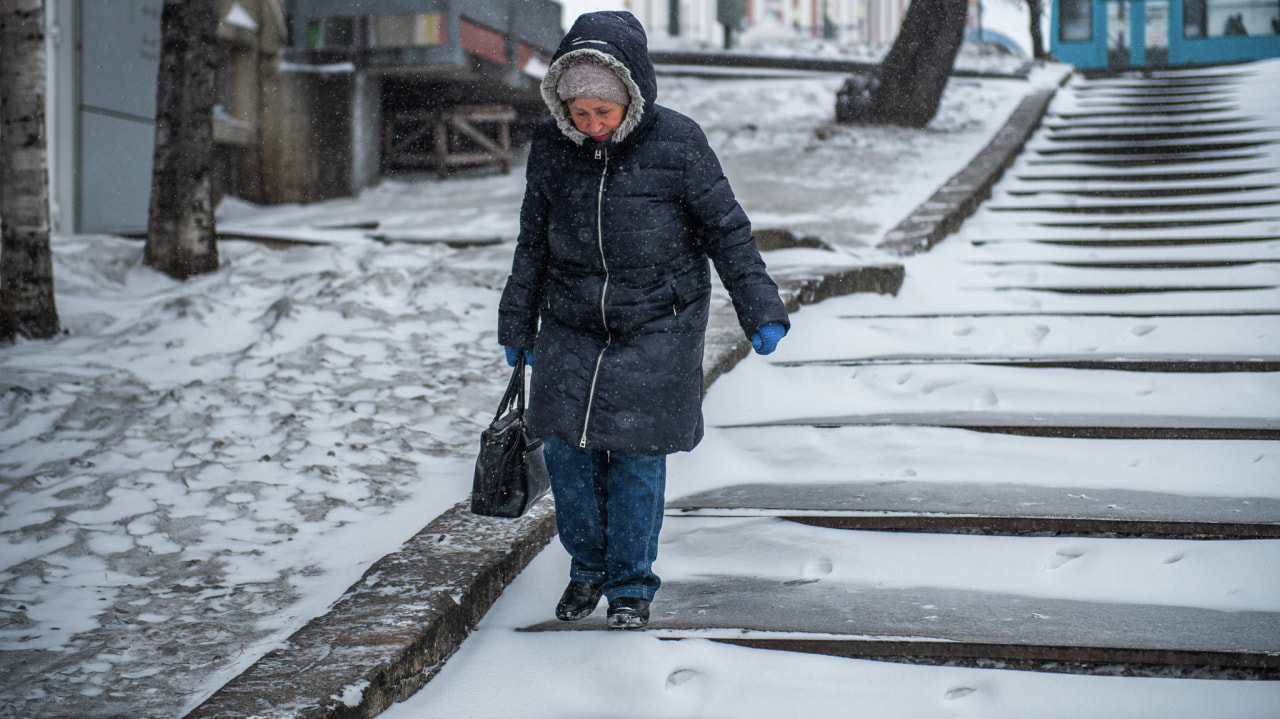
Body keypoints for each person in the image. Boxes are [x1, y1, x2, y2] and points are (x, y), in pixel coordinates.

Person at [498, 11, 789, 630]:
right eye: (580, 113)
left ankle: (631, 584)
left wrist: (759, 306)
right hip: (572, 322)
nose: (592, 126)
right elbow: (533, 243)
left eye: (603, 113)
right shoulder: (553, 148)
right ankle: (588, 570)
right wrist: (517, 326)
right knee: (567, 452)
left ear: (631, 96)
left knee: (633, 455)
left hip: (658, 322)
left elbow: (727, 231)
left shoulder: (678, 143)